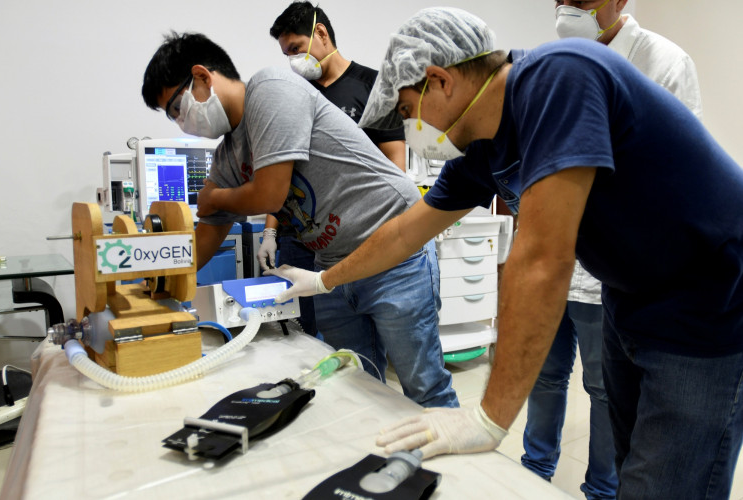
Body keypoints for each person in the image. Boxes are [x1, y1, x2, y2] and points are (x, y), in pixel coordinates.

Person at [266, 7, 743, 498]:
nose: (411, 130)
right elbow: (406, 232)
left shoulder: (560, 77)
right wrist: (325, 280)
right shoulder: (482, 148)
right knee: (631, 465)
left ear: (440, 81)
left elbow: (541, 260)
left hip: (708, 296)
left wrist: (489, 418)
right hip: (631, 291)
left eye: (408, 112)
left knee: (670, 484)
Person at [140, 32, 458, 408]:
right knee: (356, 386)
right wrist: (157, 281)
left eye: (177, 107)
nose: (180, 121)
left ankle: (454, 465)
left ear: (202, 77)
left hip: (394, 250)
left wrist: (215, 197)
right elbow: (206, 235)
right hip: (331, 269)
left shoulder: (270, 88)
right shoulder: (227, 157)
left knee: (423, 387)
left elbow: (269, 194)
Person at [520, 1, 703, 497]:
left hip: (611, 273)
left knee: (605, 393)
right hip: (552, 259)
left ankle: (601, 491)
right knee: (542, 373)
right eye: (560, 0)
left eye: (581, 0)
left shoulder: (661, 63)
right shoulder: (553, 64)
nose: (567, 9)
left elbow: (670, 176)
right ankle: (529, 473)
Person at [256, 1, 407, 338]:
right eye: (287, 54)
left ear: (320, 33)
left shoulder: (372, 85)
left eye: (296, 48)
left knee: (370, 334)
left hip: (356, 235)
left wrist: (388, 230)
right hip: (302, 239)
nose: (293, 61)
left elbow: (395, 163)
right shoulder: (294, 95)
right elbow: (284, 171)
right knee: (313, 337)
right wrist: (269, 233)